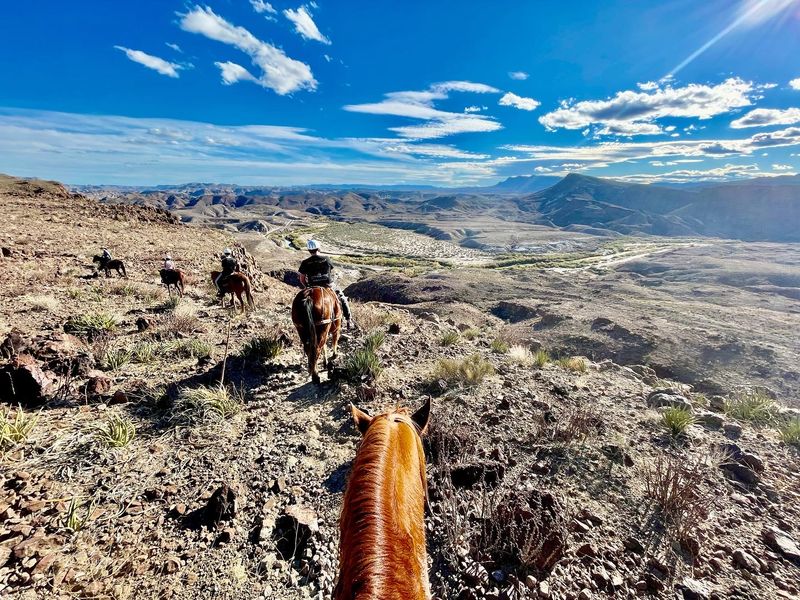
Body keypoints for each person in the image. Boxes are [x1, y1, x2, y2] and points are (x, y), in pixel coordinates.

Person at [298, 239, 353, 328]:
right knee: (342, 298)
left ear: (309, 250)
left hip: (312, 286)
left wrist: (307, 286)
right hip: (328, 285)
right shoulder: (326, 259)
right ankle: (349, 320)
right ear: (318, 248)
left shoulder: (305, 262)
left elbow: (302, 278)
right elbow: (329, 270)